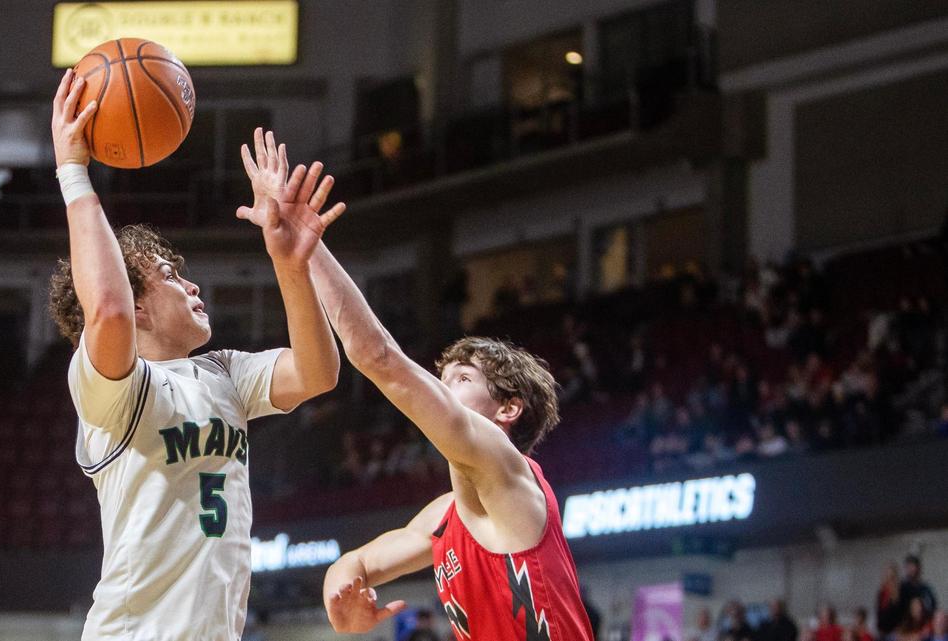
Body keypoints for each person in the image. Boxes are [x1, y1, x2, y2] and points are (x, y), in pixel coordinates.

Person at [235, 140, 594, 640]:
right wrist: (340, 594)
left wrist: (307, 248)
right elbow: (357, 562)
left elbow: (379, 358)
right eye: (442, 380)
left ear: (508, 409)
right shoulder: (446, 516)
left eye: (462, 381)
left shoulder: (504, 467)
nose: (442, 391)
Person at [49, 71, 342, 641]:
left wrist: (289, 263)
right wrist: (73, 170)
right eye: (171, 277)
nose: (193, 286)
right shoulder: (111, 390)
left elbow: (317, 372)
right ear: (136, 306)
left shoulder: (222, 372)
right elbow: (106, 309)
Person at [878, 562, 904, 637]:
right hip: (882, 630)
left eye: (891, 576)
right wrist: (879, 626)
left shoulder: (900, 591)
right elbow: (879, 611)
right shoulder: (882, 592)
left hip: (894, 631)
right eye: (887, 575)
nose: (889, 578)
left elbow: (901, 612)